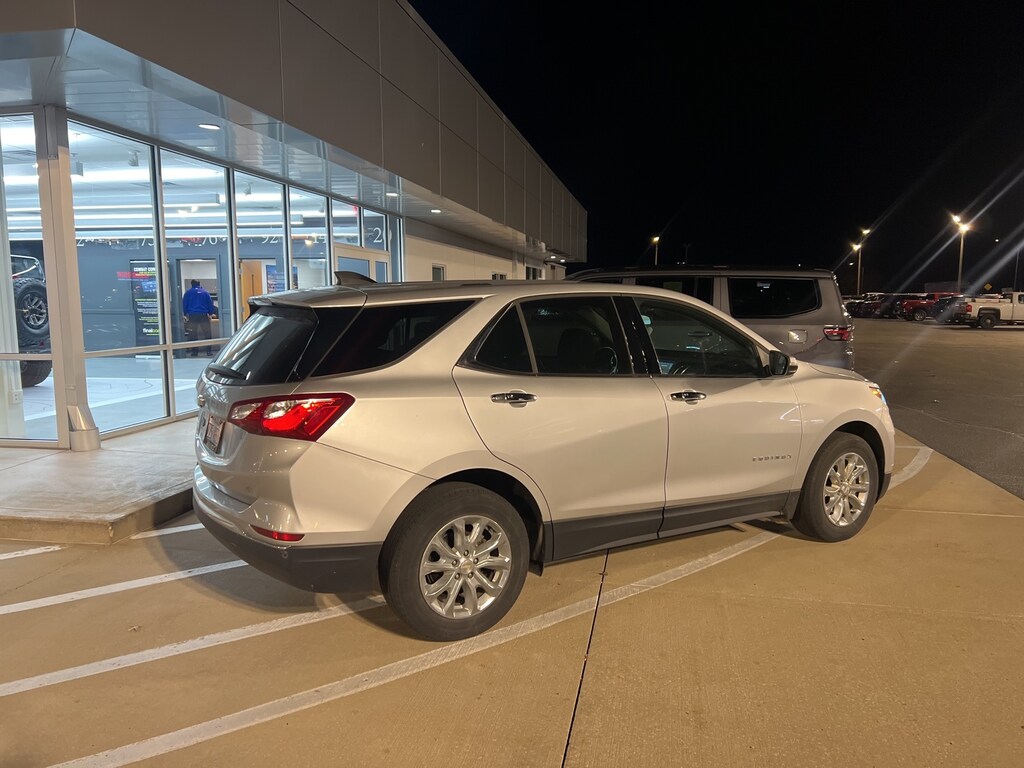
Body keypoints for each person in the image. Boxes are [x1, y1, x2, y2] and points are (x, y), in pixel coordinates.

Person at [182, 279, 217, 356]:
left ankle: (195, 352)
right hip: (203, 315)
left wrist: (184, 314)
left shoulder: (188, 293)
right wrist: (211, 313)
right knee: (207, 333)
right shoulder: (205, 292)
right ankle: (208, 351)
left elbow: (184, 305)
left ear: (191, 284)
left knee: (193, 334)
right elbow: (210, 304)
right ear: (199, 284)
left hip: (192, 316)